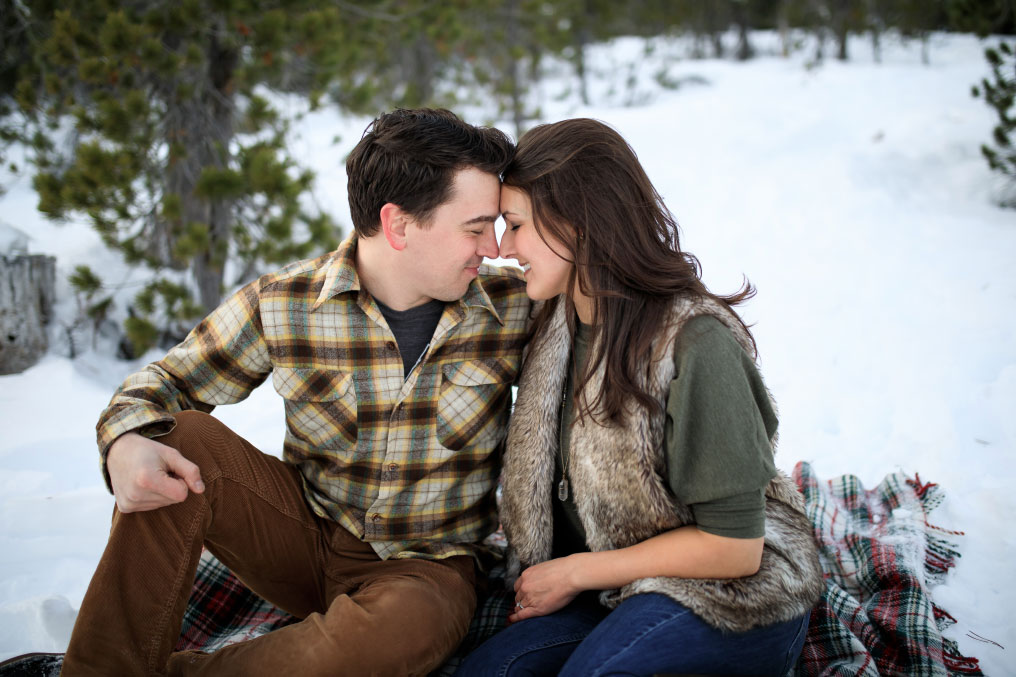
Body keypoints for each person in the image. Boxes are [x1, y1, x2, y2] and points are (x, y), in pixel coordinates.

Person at [61, 108, 531, 676]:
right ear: (400, 224)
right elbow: (164, 386)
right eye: (475, 227)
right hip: (304, 537)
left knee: (399, 634)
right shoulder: (285, 301)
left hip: (426, 567)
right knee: (175, 436)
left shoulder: (512, 307)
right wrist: (124, 441)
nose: (493, 246)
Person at [456, 118, 824, 676]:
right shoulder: (550, 320)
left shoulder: (694, 344)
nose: (503, 248)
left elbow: (735, 549)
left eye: (516, 224)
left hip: (731, 594)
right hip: (613, 592)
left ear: (575, 221)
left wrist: (576, 571)